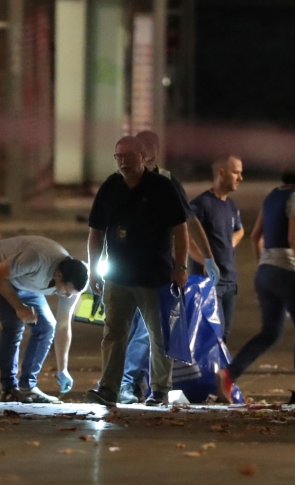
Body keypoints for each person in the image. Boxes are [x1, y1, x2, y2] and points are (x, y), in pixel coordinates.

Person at [85, 136, 191, 406]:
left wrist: (180, 266)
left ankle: (159, 390)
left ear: (143, 158)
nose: (123, 162)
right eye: (118, 156)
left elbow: (181, 229)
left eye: (129, 156)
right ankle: (108, 388)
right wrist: (94, 271)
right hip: (118, 277)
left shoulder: (162, 187)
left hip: (154, 276)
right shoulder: (111, 188)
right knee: (113, 333)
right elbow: (96, 232)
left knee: (159, 336)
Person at [117, 130, 218, 404]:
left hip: (157, 268)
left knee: (148, 331)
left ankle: (138, 385)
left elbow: (187, 223)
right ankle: (131, 384)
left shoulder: (166, 182)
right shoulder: (122, 182)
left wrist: (204, 258)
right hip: (127, 268)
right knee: (130, 330)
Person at [217, 161, 295, 404]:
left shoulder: (271, 196)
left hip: (266, 272)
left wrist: (264, 264)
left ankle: (228, 374)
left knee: (270, 332)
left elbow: (255, 236)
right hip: (288, 272)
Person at [0, 235, 89, 404]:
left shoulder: (74, 283)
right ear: (58, 275)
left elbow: (63, 325)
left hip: (25, 281)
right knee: (14, 322)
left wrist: (62, 368)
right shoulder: (35, 259)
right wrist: (19, 307)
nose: (67, 296)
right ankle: (9, 389)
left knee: (47, 326)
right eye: (65, 291)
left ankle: (28, 386)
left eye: (72, 294)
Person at [187, 155, 245, 342]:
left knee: (223, 337)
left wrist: (229, 244)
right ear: (221, 173)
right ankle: (204, 371)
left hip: (229, 280)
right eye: (236, 172)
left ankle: (213, 371)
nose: (240, 178)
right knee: (212, 336)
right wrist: (204, 260)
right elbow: (186, 238)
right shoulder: (201, 204)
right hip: (207, 283)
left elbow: (240, 231)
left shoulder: (230, 205)